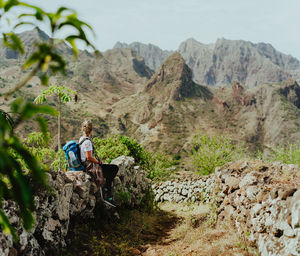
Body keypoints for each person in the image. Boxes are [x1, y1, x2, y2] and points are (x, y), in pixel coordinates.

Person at [79, 120, 119, 202]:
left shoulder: (81, 139)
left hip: (84, 164)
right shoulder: (87, 142)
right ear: (91, 130)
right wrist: (98, 162)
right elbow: (89, 157)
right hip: (89, 166)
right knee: (114, 168)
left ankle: (107, 189)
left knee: (108, 169)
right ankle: (106, 189)